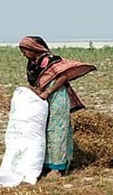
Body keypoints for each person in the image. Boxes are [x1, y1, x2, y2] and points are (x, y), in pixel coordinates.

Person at [18, 36, 95, 178]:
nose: (24, 54)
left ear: (34, 49)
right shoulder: (33, 64)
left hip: (57, 97)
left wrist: (48, 92)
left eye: (25, 51)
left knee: (57, 130)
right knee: (43, 130)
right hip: (43, 98)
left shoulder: (50, 60)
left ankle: (57, 167)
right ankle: (45, 164)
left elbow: (63, 76)